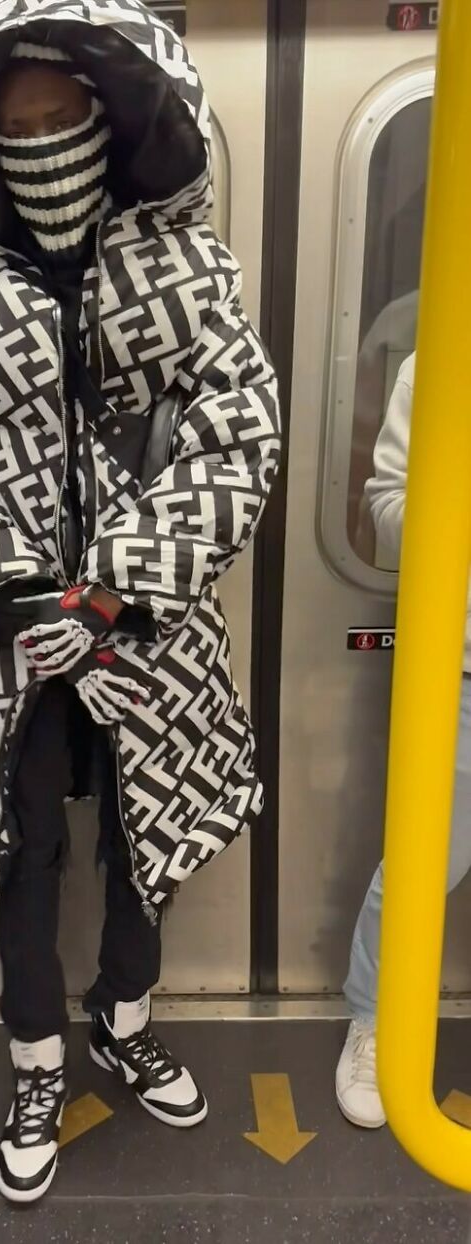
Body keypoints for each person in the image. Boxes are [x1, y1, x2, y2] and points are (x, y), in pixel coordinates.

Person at [0, 0, 280, 1204]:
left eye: (63, 119)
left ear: (112, 120)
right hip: (6, 655)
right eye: (16, 127)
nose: (41, 144)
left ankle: (125, 1016)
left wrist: (122, 589)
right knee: (24, 850)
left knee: (144, 844)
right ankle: (38, 1056)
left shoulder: (192, 271)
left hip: (146, 637)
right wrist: (6, 594)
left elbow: (234, 442)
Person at [336, 352, 471, 1128]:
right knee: (425, 860)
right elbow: (382, 510)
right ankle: (372, 1020)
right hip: (459, 668)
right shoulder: (442, 364)